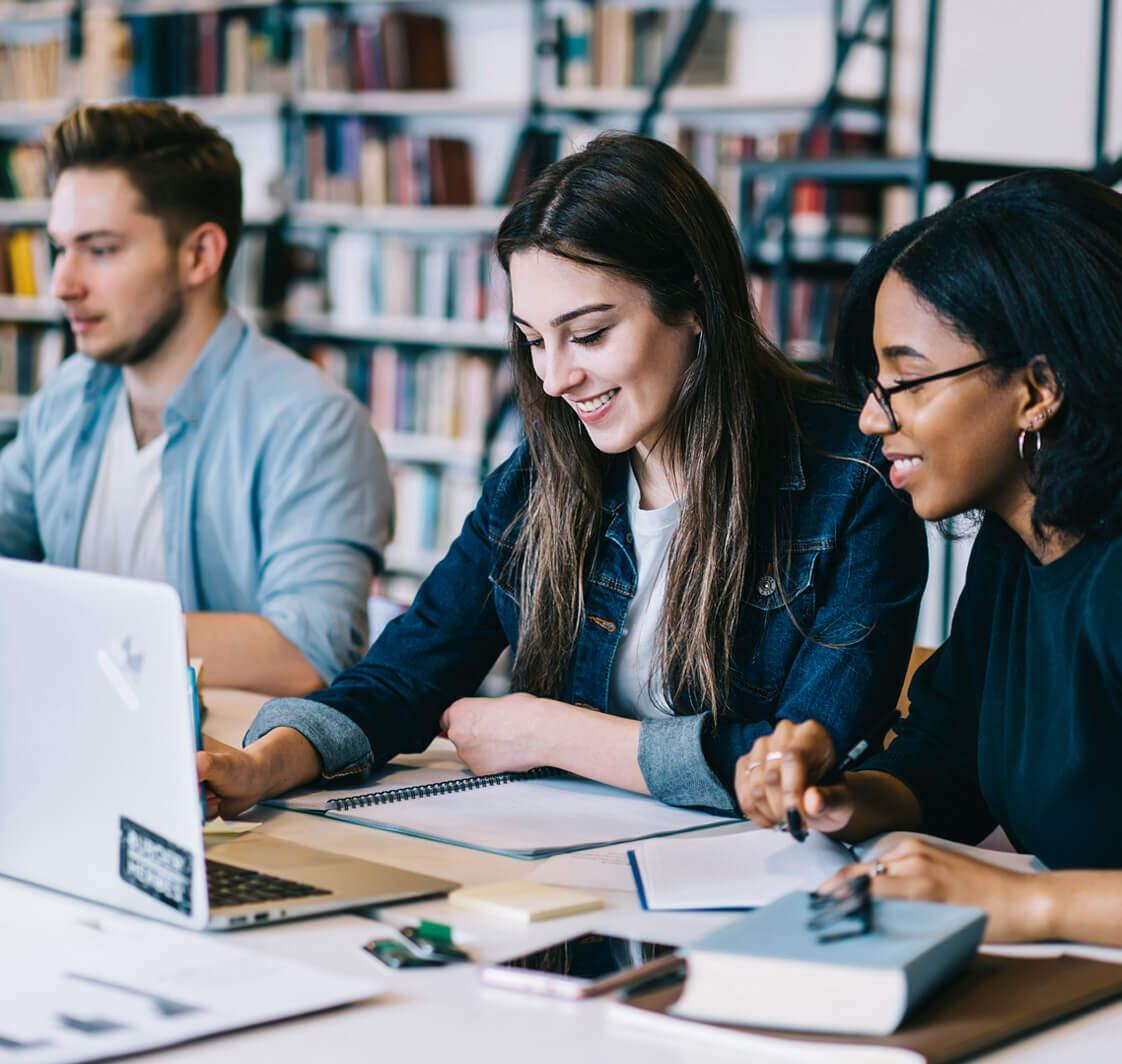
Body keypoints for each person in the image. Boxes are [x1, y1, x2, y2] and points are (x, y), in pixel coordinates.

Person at [198, 132, 925, 818]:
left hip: (752, 892)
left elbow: (797, 769)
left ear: (697, 304)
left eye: (589, 334)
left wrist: (552, 734)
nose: (553, 379)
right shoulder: (538, 478)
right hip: (558, 874)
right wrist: (262, 766)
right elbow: (402, 676)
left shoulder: (858, 477)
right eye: (532, 340)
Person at [735, 169, 1122, 945]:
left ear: (1038, 387)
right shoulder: (1018, 553)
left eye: (906, 382)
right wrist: (837, 794)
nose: (874, 420)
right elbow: (947, 769)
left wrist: (1027, 905)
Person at [0, 102, 392, 696]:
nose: (62, 284)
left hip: (219, 774)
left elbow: (308, 652)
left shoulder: (314, 424)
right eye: (60, 247)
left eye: (100, 249)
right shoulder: (69, 395)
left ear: (199, 255)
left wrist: (65, 630)